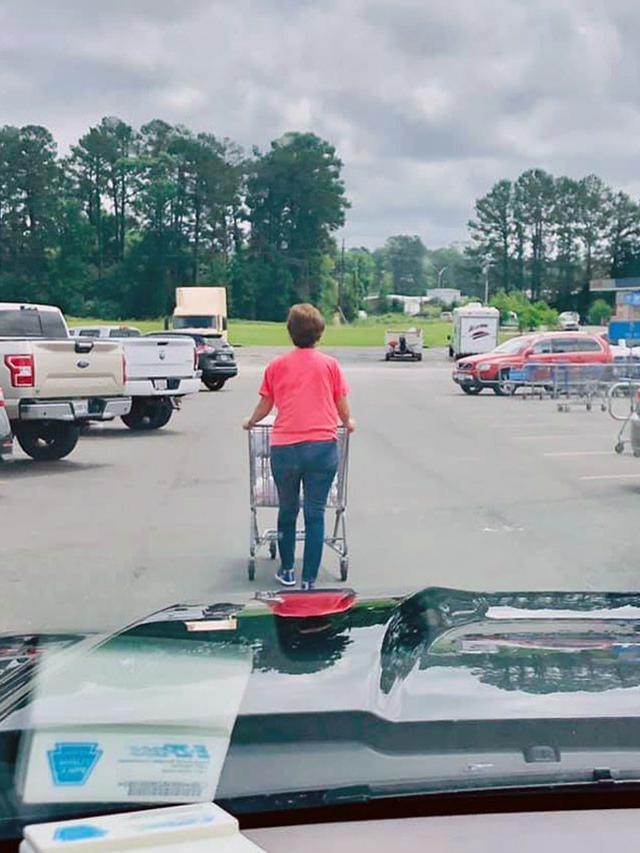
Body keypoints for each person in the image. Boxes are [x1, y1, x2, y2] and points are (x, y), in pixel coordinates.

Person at [244, 304, 355, 590]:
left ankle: (288, 570)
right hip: (322, 447)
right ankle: (309, 579)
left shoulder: (277, 365)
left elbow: (265, 404)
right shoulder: (330, 365)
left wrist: (251, 421)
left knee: (287, 509)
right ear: (319, 333)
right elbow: (340, 402)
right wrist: (348, 421)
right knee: (316, 512)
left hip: (286, 449)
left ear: (290, 332)